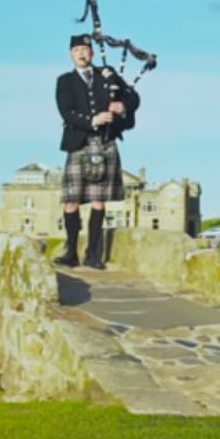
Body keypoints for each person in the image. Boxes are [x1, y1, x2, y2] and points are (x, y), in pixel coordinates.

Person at [52, 33, 141, 270]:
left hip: (105, 142)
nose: (81, 54)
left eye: (85, 49)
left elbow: (133, 96)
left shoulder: (107, 75)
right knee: (71, 201)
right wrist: (93, 118)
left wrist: (123, 106)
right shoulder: (65, 82)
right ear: (71, 55)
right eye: (76, 50)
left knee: (98, 201)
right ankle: (71, 252)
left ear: (92, 52)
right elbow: (66, 112)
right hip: (79, 143)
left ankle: (93, 255)